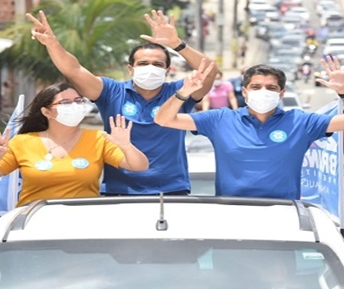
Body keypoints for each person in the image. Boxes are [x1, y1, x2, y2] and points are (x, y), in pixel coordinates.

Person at [26, 10, 217, 196]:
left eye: (157, 65)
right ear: (131, 69)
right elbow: (74, 70)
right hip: (119, 191)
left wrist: (177, 44)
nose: (150, 68)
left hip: (171, 189)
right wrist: (53, 44)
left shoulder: (180, 92)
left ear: (167, 71)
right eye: (142, 64)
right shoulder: (111, 91)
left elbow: (209, 71)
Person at [154, 59, 344, 199]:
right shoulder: (220, 119)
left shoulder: (301, 122)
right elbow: (164, 120)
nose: (263, 91)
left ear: (281, 93)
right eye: (256, 87)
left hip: (283, 212)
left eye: (271, 88)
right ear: (245, 92)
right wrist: (183, 92)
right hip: (231, 211)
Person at [0, 83, 149, 207]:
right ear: (46, 111)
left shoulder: (98, 138)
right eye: (65, 102)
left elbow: (139, 166)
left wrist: (126, 146)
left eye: (78, 101)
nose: (74, 106)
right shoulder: (22, 142)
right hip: (34, 220)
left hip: (85, 220)